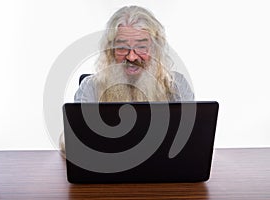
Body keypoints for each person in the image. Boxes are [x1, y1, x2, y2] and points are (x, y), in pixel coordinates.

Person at [60, 5, 194, 154]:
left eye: (141, 47)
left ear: (155, 49)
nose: (131, 57)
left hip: (165, 173)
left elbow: (191, 139)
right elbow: (75, 143)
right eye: (122, 48)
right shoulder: (91, 87)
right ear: (110, 51)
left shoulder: (176, 85)